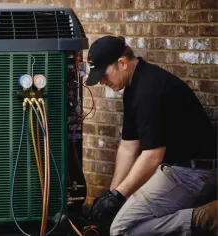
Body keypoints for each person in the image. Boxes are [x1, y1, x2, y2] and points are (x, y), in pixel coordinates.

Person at [84, 35, 218, 236]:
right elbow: (129, 147)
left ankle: (207, 217)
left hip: (194, 172)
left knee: (121, 229)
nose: (102, 81)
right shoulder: (134, 86)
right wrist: (112, 196)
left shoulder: (150, 90)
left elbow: (152, 155)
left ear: (122, 63)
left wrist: (118, 196)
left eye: (103, 74)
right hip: (175, 168)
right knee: (121, 217)